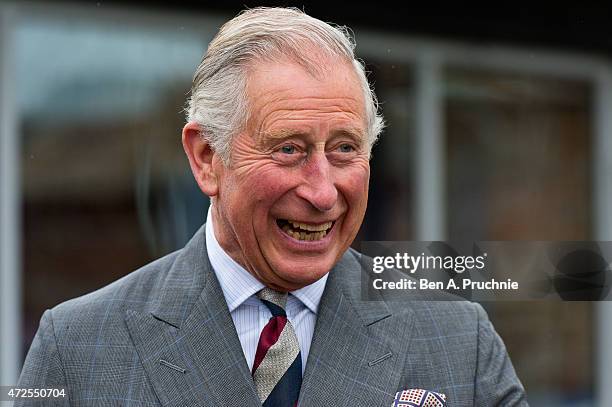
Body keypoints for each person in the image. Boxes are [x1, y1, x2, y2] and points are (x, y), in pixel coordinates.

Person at [16, 7, 527, 406]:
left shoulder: (459, 341)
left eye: (345, 148)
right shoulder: (80, 348)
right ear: (207, 158)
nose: (323, 192)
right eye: (289, 149)